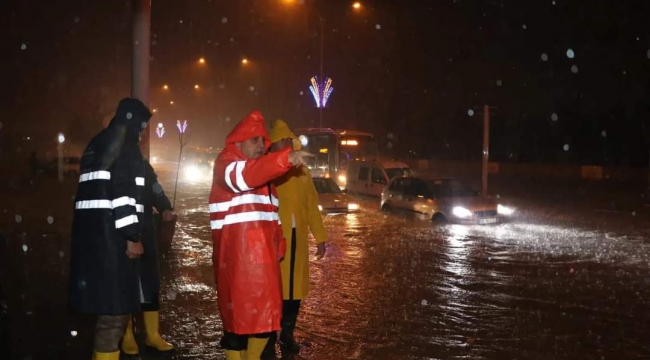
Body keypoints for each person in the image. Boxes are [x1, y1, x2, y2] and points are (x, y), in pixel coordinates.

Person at [209, 110, 313, 360]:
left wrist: (279, 246)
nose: (260, 145)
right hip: (237, 262)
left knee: (266, 323)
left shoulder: (266, 181)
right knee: (237, 327)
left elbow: (272, 216)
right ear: (239, 141)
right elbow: (244, 178)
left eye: (262, 141)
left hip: (263, 264)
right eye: (254, 140)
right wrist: (285, 159)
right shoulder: (227, 164)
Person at [68, 98, 152, 360]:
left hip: (93, 241)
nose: (143, 132)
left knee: (106, 314)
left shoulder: (97, 143)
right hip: (114, 243)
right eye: (142, 126)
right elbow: (123, 194)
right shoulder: (125, 145)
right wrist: (132, 236)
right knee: (114, 318)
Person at [263, 119, 327, 358]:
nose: (288, 145)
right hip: (274, 239)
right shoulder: (266, 170)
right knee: (274, 290)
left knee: (294, 290)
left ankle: (286, 334)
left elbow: (312, 206)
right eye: (284, 141)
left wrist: (320, 237)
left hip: (297, 239)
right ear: (275, 144)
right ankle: (267, 337)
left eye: (290, 141)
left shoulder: (302, 172)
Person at [121, 158, 175, 355]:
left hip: (146, 227)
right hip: (123, 228)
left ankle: (153, 335)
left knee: (150, 281)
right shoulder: (116, 160)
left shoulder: (143, 164)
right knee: (126, 281)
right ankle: (127, 335)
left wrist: (165, 206)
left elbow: (154, 187)